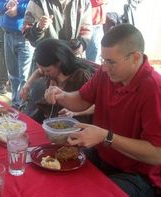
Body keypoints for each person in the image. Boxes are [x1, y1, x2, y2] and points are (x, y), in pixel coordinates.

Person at [44, 24, 161, 196]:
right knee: (52, 167)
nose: (104, 68)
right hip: (104, 155)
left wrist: (107, 137)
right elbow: (82, 100)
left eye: (111, 62)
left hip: (140, 175)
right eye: (103, 60)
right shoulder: (106, 73)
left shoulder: (153, 89)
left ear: (135, 58)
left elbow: (157, 154)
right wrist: (61, 95)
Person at [19, 39, 96, 123]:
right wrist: (27, 85)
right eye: (42, 69)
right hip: (52, 119)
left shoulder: (82, 76)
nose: (44, 73)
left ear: (59, 63)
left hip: (75, 125)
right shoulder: (51, 70)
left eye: (47, 70)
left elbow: (97, 105)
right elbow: (39, 71)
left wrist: (75, 112)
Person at [22, 0, 93, 73]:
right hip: (46, 65)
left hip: (73, 61)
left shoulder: (83, 2)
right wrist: (39, 27)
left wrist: (81, 45)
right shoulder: (38, 2)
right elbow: (27, 32)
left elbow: (86, 30)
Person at [0, 0, 34, 109]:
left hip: (26, 36)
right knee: (12, 74)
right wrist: (6, 5)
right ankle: (16, 104)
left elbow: (36, 6)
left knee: (25, 75)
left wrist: (18, 9)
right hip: (7, 34)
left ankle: (24, 105)